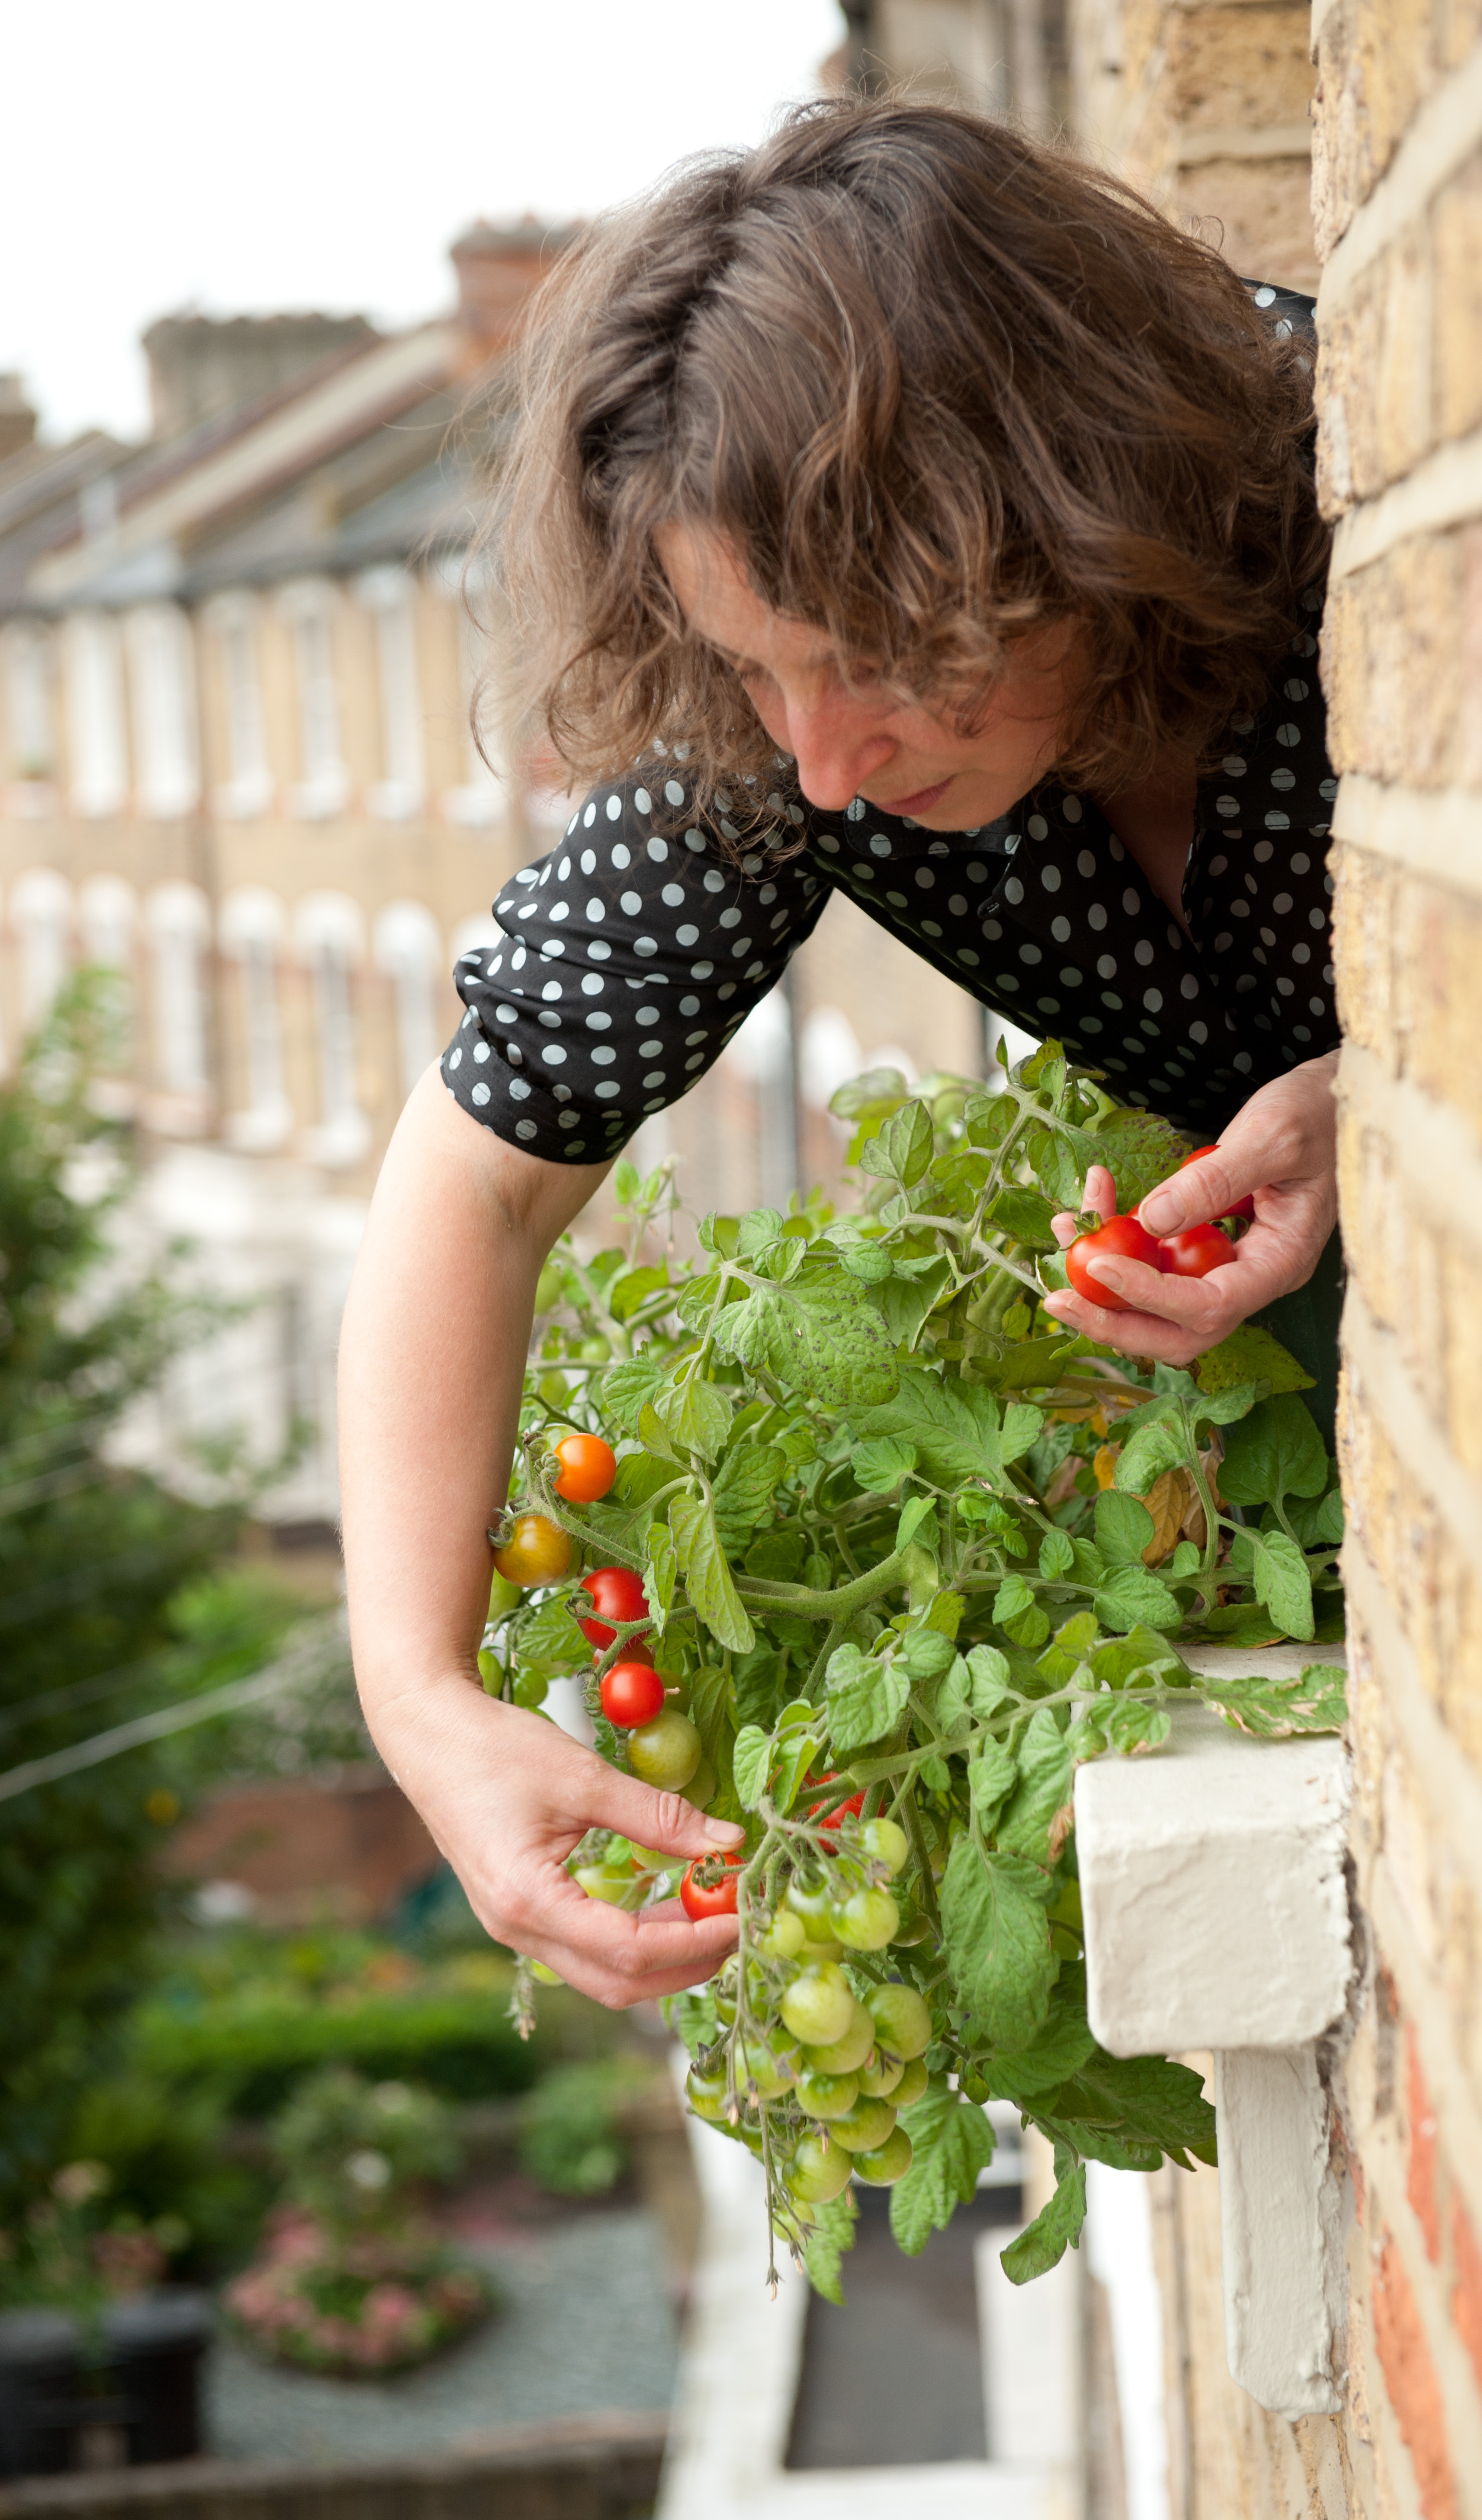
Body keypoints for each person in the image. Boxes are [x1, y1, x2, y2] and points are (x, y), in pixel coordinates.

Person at [337, 98, 1342, 2009]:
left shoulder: (1380, 497)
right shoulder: (789, 738)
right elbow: (478, 1173)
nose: (818, 762)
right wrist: (417, 1692)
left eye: (877, 657)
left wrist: (1391, 1101)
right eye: (750, 666)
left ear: (1068, 507)